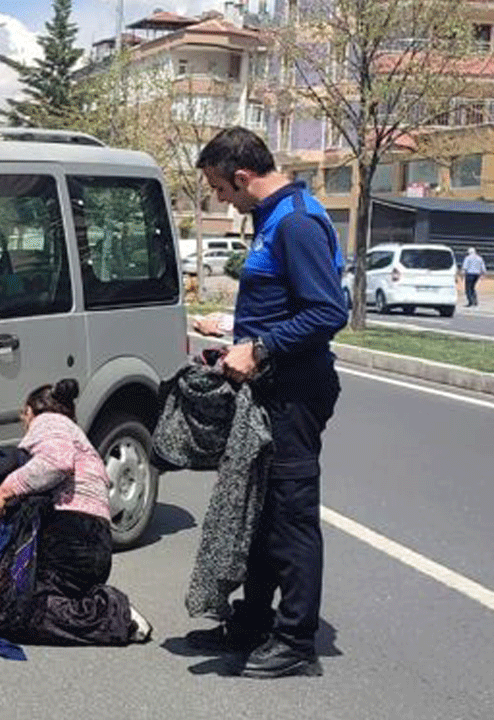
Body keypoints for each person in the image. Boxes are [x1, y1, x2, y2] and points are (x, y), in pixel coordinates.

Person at [190, 126, 347, 678]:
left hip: (295, 393)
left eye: (219, 189)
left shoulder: (297, 220)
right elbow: (284, 305)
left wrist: (259, 348)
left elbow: (328, 312)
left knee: (290, 517)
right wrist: (236, 334)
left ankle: (296, 640)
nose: (219, 201)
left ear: (241, 176)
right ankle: (253, 621)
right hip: (268, 385)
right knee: (258, 511)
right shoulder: (271, 217)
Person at [0, 379, 153, 646]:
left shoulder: (49, 423)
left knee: (7, 614)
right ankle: (79, 602)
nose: (23, 423)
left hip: (70, 537)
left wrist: (4, 491)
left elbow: (56, 462)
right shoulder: (75, 433)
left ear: (29, 411)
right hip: (89, 543)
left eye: (22, 416)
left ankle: (112, 615)